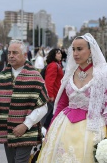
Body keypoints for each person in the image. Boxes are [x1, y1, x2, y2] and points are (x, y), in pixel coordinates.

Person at [37, 33, 107, 162]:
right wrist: (51, 129)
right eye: (73, 49)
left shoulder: (102, 75)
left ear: (90, 51)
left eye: (79, 49)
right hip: (65, 126)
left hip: (92, 128)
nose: (75, 53)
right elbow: (62, 103)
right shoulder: (69, 74)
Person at [0, 39, 49, 163]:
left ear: (25, 55)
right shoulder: (1, 77)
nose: (11, 56)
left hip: (26, 133)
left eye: (15, 53)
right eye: (9, 53)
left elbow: (43, 106)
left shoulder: (35, 77)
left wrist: (25, 125)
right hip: (7, 132)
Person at [40, 48, 64, 129]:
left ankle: (42, 128)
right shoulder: (53, 65)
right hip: (53, 95)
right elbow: (49, 81)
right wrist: (50, 95)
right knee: (50, 114)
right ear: (53, 55)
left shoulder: (57, 65)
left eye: (60, 53)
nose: (60, 54)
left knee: (47, 113)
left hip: (55, 94)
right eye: (58, 53)